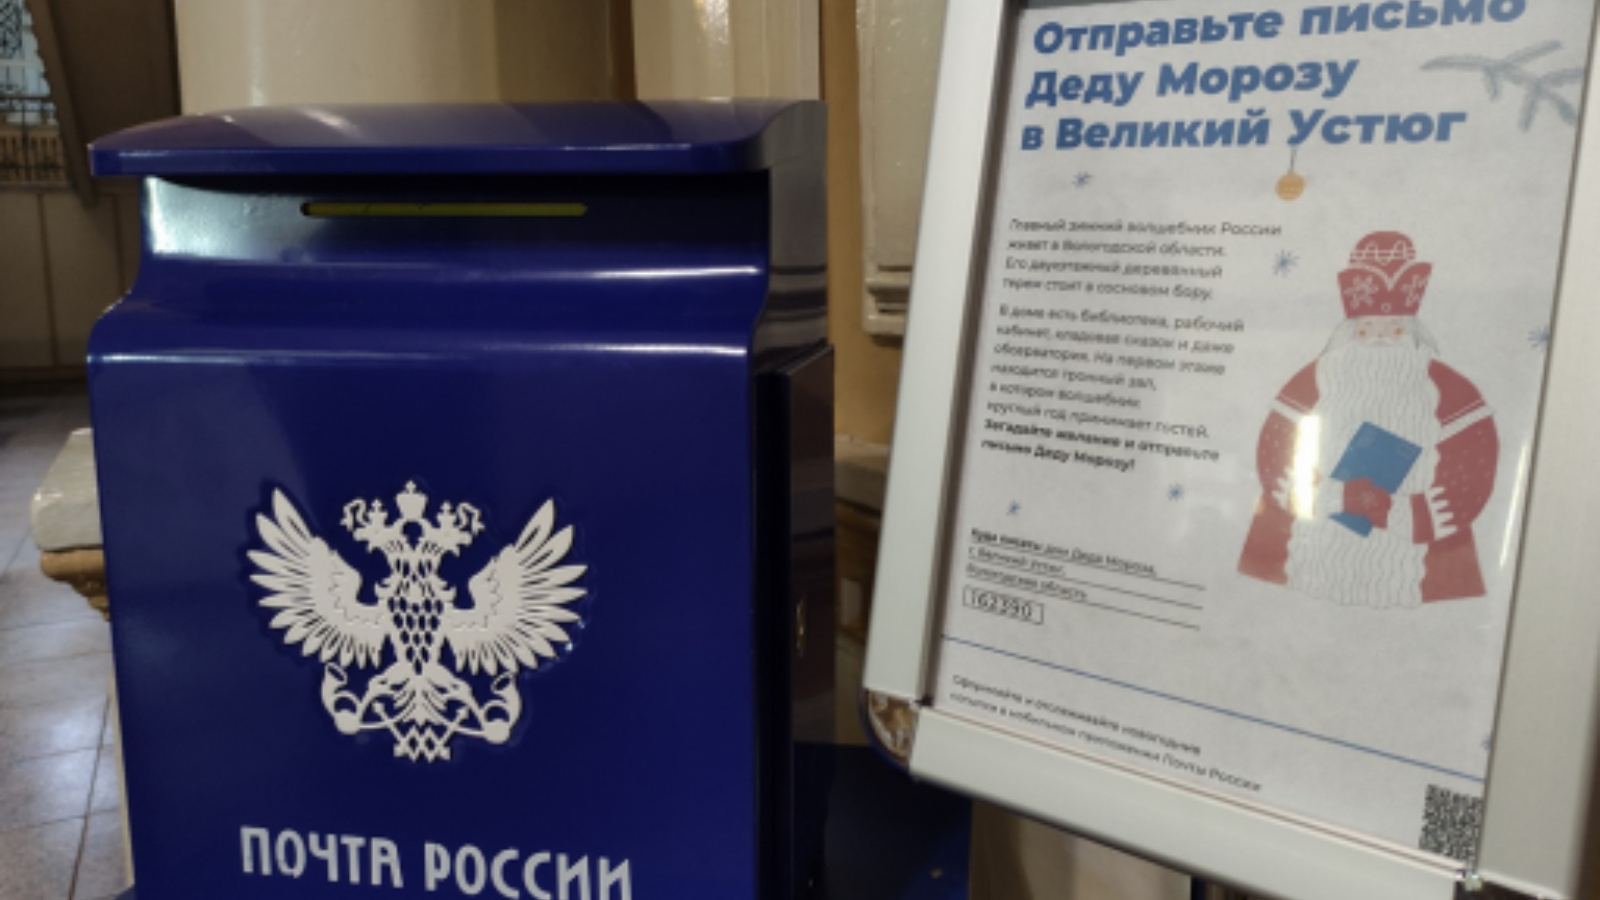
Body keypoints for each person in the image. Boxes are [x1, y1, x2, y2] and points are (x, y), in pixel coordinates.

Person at [1238, 232, 1498, 607]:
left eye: (1393, 328)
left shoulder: (1443, 385)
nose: (1380, 338)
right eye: (1368, 328)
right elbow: (1276, 451)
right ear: (1351, 330)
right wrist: (1336, 496)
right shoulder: (1319, 376)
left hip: (1417, 556)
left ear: (1411, 331)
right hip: (1313, 542)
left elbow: (1472, 463)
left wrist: (1396, 511)